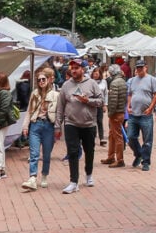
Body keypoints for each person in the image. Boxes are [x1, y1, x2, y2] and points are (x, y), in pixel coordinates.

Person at [55, 58, 103, 193]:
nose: (74, 70)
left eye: (76, 68)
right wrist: (58, 126)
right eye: (72, 68)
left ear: (83, 69)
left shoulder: (92, 84)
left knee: (89, 151)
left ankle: (89, 174)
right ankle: (73, 182)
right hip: (71, 123)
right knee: (73, 152)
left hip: (89, 124)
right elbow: (60, 107)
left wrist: (87, 100)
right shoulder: (66, 85)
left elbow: (100, 101)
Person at [21, 68, 59, 190]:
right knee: (34, 153)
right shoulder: (34, 93)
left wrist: (58, 129)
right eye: (39, 80)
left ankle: (44, 175)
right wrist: (25, 126)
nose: (41, 82)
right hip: (35, 124)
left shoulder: (56, 95)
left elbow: (59, 114)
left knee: (46, 154)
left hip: (49, 125)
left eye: (43, 79)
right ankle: (32, 178)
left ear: (48, 80)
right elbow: (29, 111)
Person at [126, 59, 156, 171]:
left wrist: (151, 108)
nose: (139, 69)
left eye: (141, 67)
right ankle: (138, 153)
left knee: (147, 140)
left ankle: (146, 161)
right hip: (133, 114)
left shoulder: (151, 79)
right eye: (137, 68)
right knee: (130, 137)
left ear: (145, 67)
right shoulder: (132, 80)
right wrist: (128, 106)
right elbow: (130, 94)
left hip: (146, 114)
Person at [102, 64, 128, 167]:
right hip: (121, 111)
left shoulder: (114, 83)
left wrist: (110, 113)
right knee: (112, 135)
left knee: (117, 136)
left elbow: (113, 100)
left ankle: (120, 159)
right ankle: (111, 156)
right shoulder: (123, 82)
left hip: (116, 113)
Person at [91, 66, 108, 146]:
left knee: (100, 121)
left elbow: (105, 94)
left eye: (97, 74)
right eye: (94, 73)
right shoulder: (90, 81)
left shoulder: (104, 82)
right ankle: (92, 138)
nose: (95, 75)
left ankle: (101, 138)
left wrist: (105, 104)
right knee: (92, 122)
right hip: (92, 104)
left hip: (100, 104)